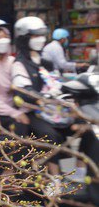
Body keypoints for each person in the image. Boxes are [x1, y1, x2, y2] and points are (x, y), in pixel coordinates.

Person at [11, 16, 98, 193]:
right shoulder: (19, 64)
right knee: (51, 136)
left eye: (42, 35)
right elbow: (22, 91)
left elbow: (59, 81)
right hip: (34, 113)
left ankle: (80, 177)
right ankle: (55, 181)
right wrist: (41, 97)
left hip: (55, 111)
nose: (40, 39)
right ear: (24, 38)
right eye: (35, 35)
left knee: (86, 129)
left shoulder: (45, 62)